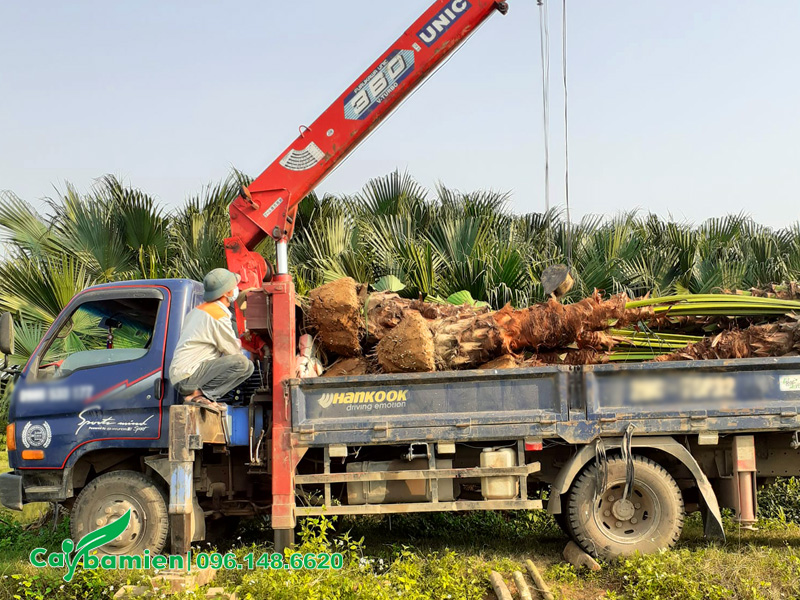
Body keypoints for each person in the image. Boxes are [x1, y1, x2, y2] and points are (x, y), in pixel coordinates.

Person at [169, 268, 254, 408]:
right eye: (234, 287)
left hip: (182, 375)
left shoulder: (200, 310)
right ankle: (200, 395)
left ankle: (201, 395)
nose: (236, 289)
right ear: (227, 292)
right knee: (243, 363)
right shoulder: (217, 314)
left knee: (248, 367)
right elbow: (232, 351)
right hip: (189, 376)